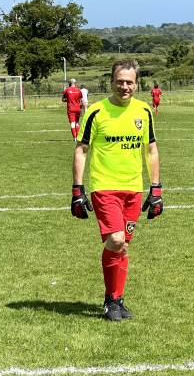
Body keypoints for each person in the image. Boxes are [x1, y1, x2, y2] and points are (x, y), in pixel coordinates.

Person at [71, 60, 163, 321]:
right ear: (111, 82)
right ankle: (110, 299)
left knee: (123, 247)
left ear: (136, 84)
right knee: (117, 240)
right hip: (105, 187)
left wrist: (155, 189)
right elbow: (81, 149)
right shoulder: (97, 112)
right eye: (120, 81)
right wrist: (78, 189)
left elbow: (151, 150)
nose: (125, 86)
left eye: (129, 82)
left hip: (133, 189)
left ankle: (117, 299)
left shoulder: (144, 111)